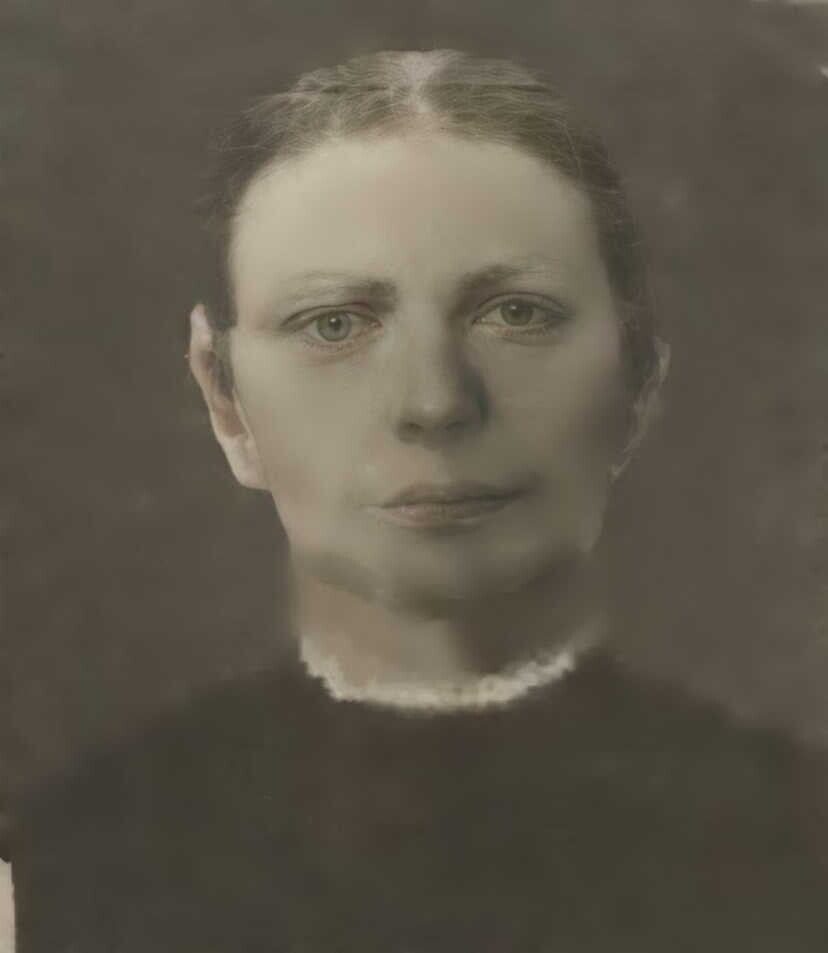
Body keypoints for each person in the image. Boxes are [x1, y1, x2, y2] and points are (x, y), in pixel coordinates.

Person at [5, 48, 828, 952]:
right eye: (335, 323)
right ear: (225, 397)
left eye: (516, 313)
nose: (434, 402)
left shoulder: (801, 841)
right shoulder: (63, 869)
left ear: (637, 382)